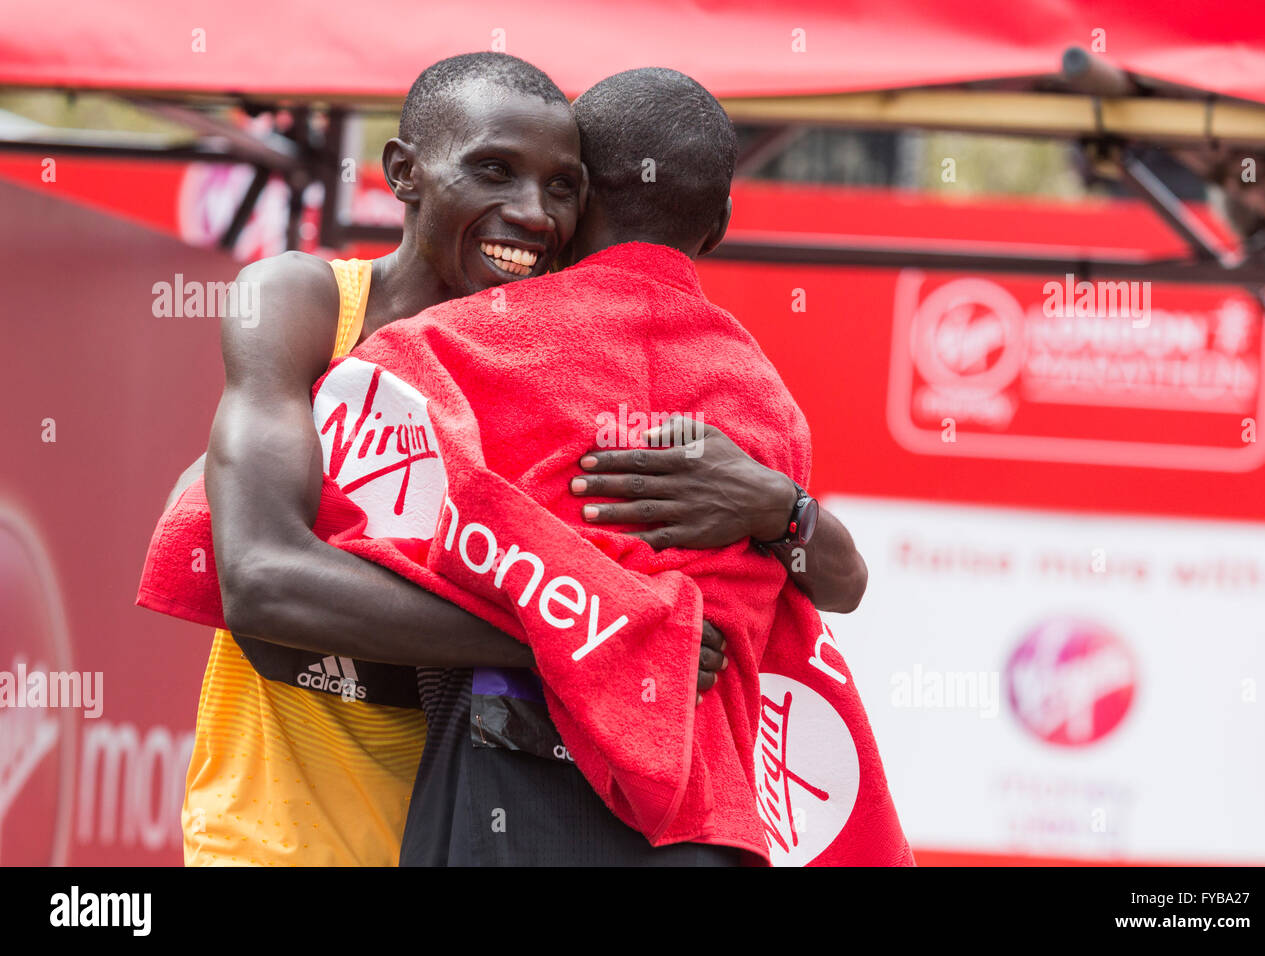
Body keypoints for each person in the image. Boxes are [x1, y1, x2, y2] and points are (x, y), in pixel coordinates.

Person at [171, 53, 865, 866]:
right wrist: (591, 634)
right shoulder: (305, 305)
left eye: (563, 187)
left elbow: (833, 585)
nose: (533, 214)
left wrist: (778, 506)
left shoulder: (565, 368)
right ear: (404, 171)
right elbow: (257, 578)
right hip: (276, 840)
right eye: (494, 171)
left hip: (454, 831)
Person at [382, 67, 868, 866]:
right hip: (700, 813)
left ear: (576, 204)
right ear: (719, 224)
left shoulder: (452, 350)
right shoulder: (771, 407)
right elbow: (836, 586)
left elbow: (294, 549)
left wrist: (569, 622)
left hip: (498, 787)